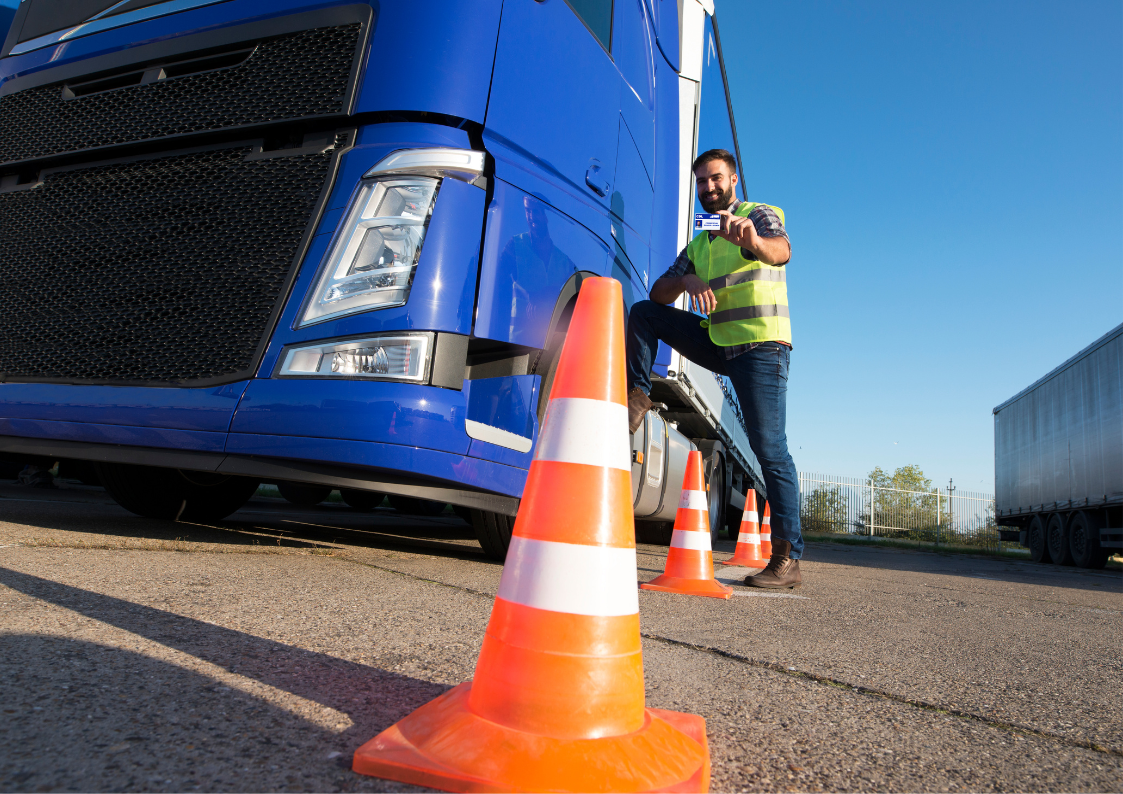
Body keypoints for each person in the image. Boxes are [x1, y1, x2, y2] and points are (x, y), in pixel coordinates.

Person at [625, 148, 802, 589]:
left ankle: (787, 558)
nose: (709, 187)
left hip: (761, 347)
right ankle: (637, 396)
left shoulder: (759, 214)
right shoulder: (701, 239)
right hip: (720, 343)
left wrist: (754, 242)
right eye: (702, 181)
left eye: (716, 179)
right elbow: (660, 291)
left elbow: (781, 251)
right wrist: (686, 280)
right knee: (645, 312)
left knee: (770, 448)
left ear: (734, 179)